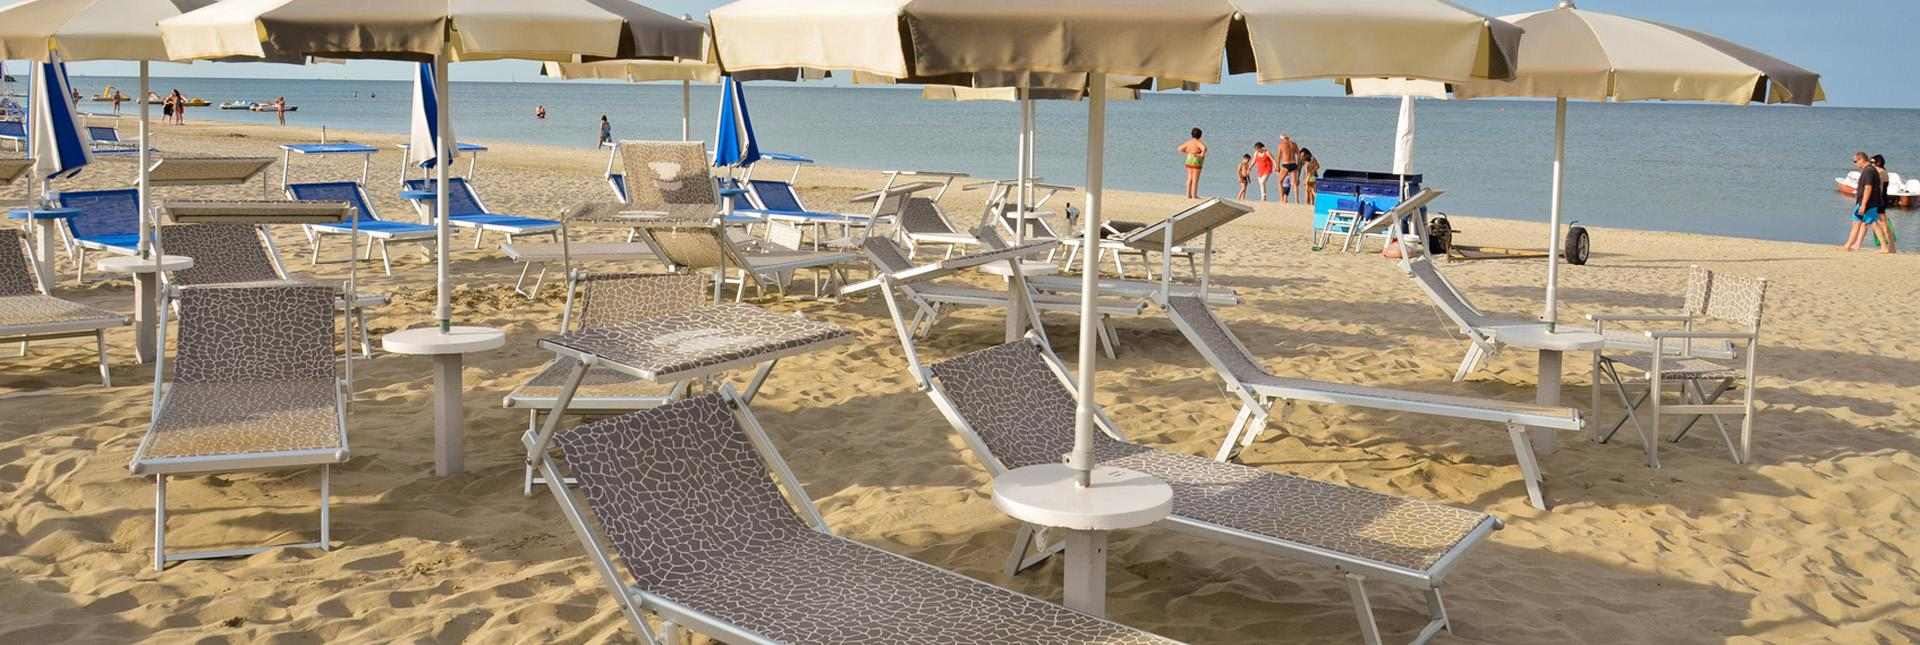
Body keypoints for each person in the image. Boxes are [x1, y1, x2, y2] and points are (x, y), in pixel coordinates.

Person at [1844, 152, 1892, 253]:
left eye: (1855, 161)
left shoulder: (1869, 171)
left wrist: (1864, 204)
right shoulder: (1869, 170)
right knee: (1859, 222)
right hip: (1865, 202)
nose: (1855, 164)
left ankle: (1884, 247)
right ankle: (1848, 245)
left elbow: (1868, 188)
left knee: (1871, 223)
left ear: (1861, 159)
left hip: (1868, 203)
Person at [1177, 127, 1207, 199]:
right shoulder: (1198, 142)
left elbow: (1179, 148)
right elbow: (1204, 148)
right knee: (1195, 179)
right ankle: (1194, 195)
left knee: (1189, 177)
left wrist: (1187, 152)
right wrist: (1200, 155)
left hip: (1189, 158)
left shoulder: (1189, 142)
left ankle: (1188, 194)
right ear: (1200, 135)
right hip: (1196, 160)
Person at [1276, 134, 1300, 203]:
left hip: (1286, 164)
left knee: (1280, 181)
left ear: (1282, 139)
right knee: (1295, 184)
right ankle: (1297, 200)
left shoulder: (1281, 145)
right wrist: (1298, 164)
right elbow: (1298, 155)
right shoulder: (1294, 144)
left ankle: (1281, 199)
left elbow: (1278, 157)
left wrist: (1277, 166)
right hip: (1293, 164)